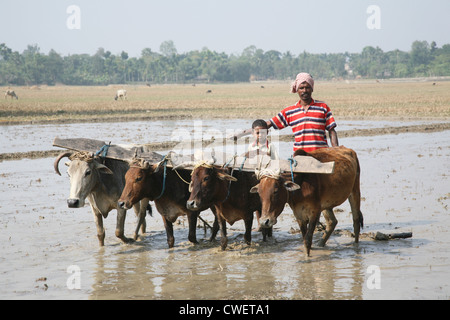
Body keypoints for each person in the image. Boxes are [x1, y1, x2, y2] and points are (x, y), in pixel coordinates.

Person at [233, 72, 339, 153]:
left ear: (312, 89)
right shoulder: (290, 111)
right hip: (300, 156)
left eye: (307, 88)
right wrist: (241, 133)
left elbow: (332, 130)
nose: (304, 91)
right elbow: (267, 124)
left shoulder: (323, 107)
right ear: (297, 90)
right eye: (301, 88)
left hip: (321, 154)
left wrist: (336, 151)